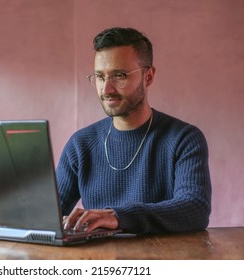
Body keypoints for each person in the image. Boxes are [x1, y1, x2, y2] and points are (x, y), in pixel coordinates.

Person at [56, 27, 212, 235]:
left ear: (148, 76)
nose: (107, 89)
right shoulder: (80, 144)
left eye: (119, 75)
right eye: (100, 77)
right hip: (99, 263)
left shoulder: (184, 138)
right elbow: (46, 215)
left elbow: (195, 208)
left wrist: (116, 216)